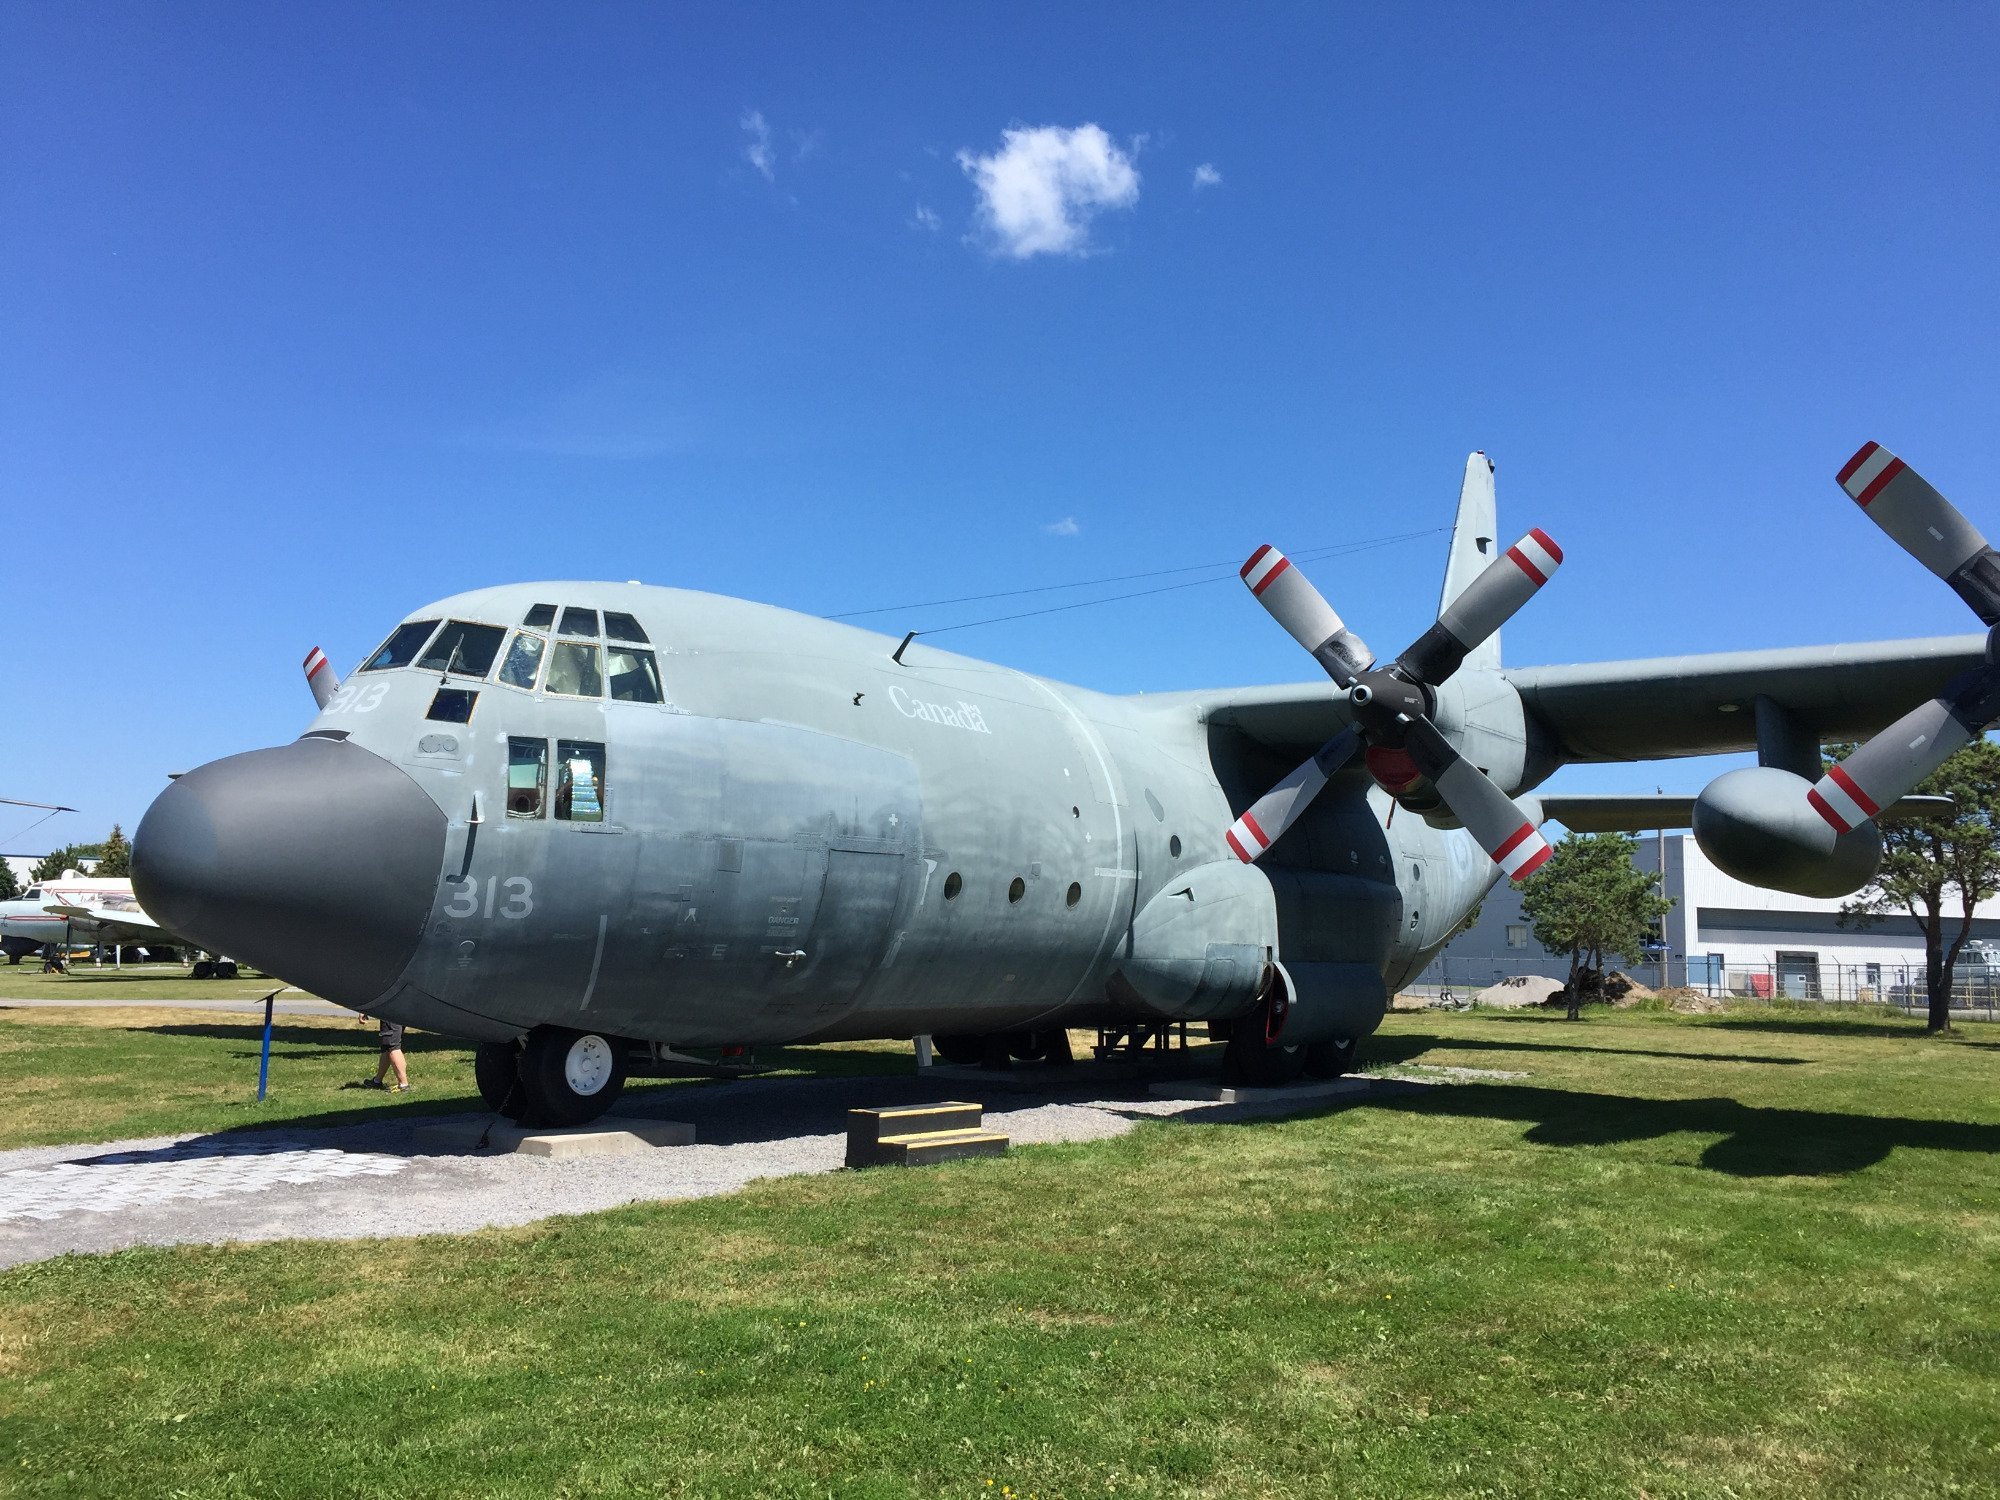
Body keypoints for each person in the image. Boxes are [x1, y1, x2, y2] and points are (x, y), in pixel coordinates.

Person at [362, 1019, 410, 1092]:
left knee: (392, 1046)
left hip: (391, 1012)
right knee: (387, 1047)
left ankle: (403, 1085)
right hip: (402, 1011)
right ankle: (377, 1081)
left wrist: (362, 1011)